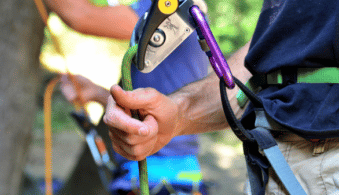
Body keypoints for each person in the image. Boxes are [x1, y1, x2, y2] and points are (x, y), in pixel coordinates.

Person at [103, 0, 339, 194]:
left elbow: (80, 16)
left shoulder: (162, 13)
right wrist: (178, 113)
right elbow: (255, 70)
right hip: (275, 163)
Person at [45, 0, 210, 194]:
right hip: (165, 175)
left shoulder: (170, 7)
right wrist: (98, 93)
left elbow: (82, 17)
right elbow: (157, 102)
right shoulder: (183, 13)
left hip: (159, 178)